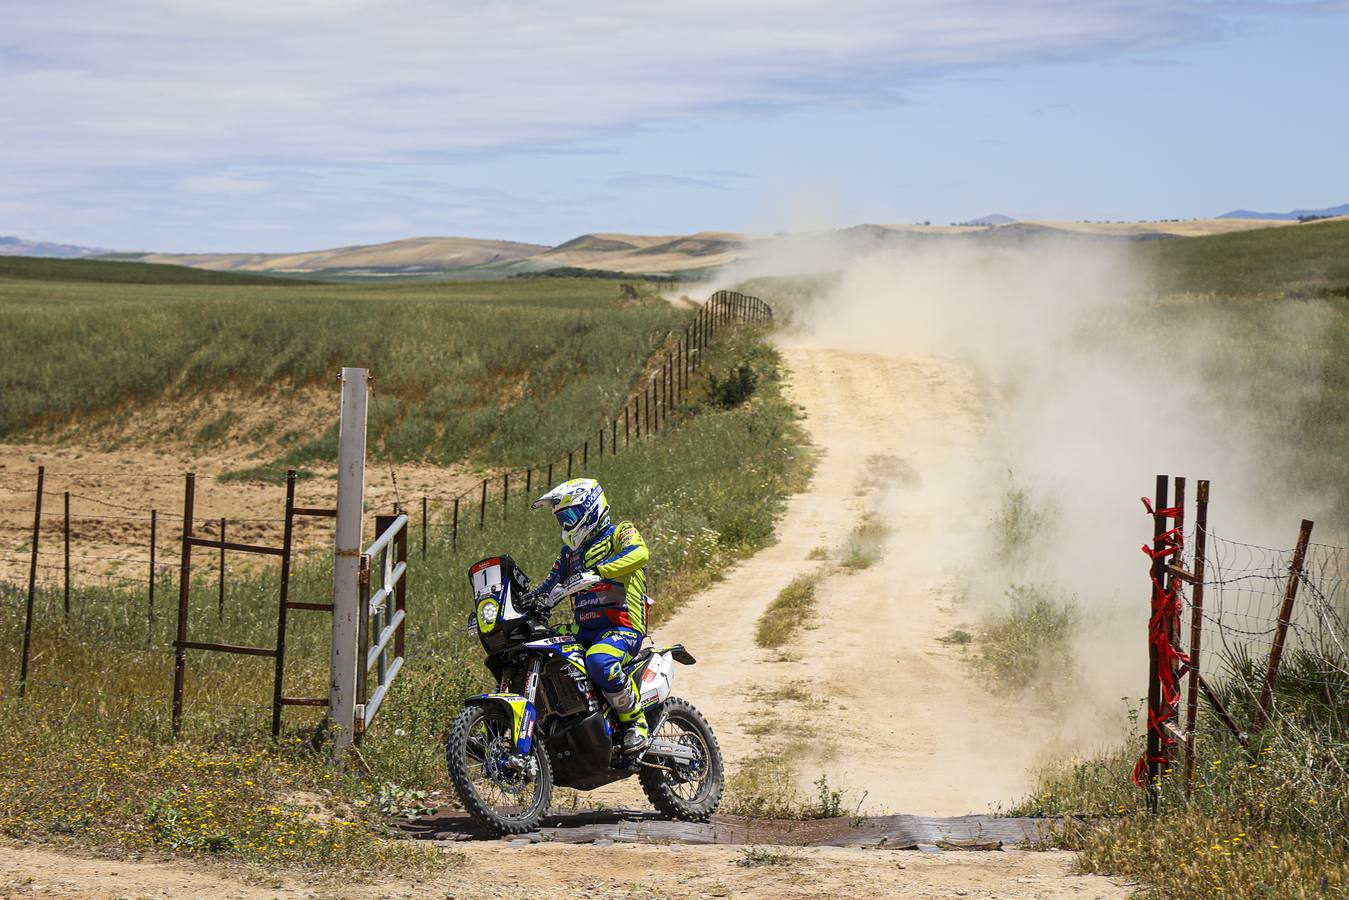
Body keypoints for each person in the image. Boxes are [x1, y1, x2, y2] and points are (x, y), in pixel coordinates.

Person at [526, 478, 651, 753]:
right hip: (584, 631)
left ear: (590, 508)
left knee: (599, 661)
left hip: (622, 627)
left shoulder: (621, 532)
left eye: (570, 516)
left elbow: (640, 553)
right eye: (561, 519)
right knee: (535, 653)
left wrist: (600, 572)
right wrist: (526, 602)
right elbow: (548, 584)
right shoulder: (569, 554)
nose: (566, 525)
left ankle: (635, 722)